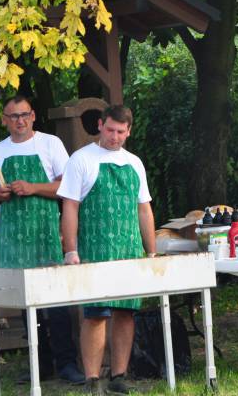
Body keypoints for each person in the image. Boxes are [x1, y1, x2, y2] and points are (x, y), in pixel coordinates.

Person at [0, 94, 84, 385]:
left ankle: (66, 363)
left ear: (33, 115)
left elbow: (67, 187)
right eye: (13, 117)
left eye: (24, 115)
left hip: (46, 232)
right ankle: (39, 364)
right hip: (15, 236)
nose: (19, 121)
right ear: (4, 119)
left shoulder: (50, 144)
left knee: (56, 301)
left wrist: (33, 187)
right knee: (26, 304)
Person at [59, 105, 156, 395]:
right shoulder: (81, 159)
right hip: (94, 249)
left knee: (125, 313)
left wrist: (151, 252)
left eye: (121, 132)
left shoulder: (134, 163)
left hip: (129, 250)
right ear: (101, 125)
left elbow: (144, 209)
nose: (115, 137)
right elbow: (70, 206)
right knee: (96, 314)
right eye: (110, 130)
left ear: (129, 131)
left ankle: (119, 376)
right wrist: (70, 249)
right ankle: (92, 379)